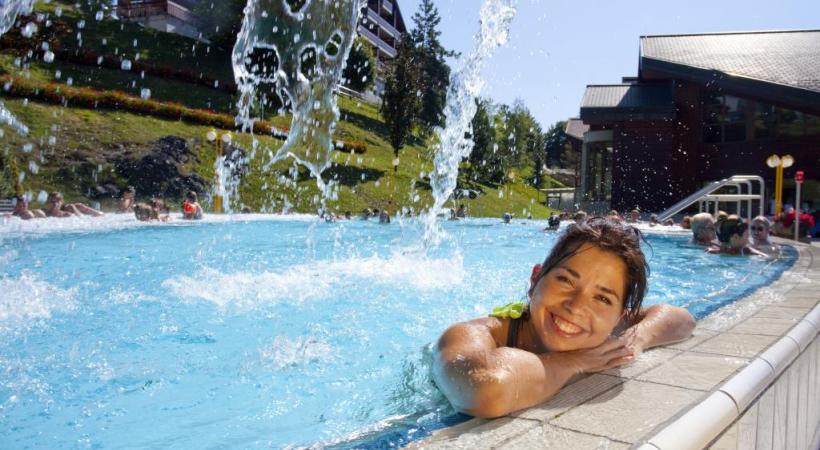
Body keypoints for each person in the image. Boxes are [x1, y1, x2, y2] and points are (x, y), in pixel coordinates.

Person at [432, 217, 696, 418]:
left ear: (619, 317)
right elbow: (486, 390)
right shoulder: (475, 334)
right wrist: (575, 361)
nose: (577, 306)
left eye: (603, 298)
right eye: (565, 280)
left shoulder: (612, 325)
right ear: (536, 278)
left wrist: (635, 340)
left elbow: (683, 319)